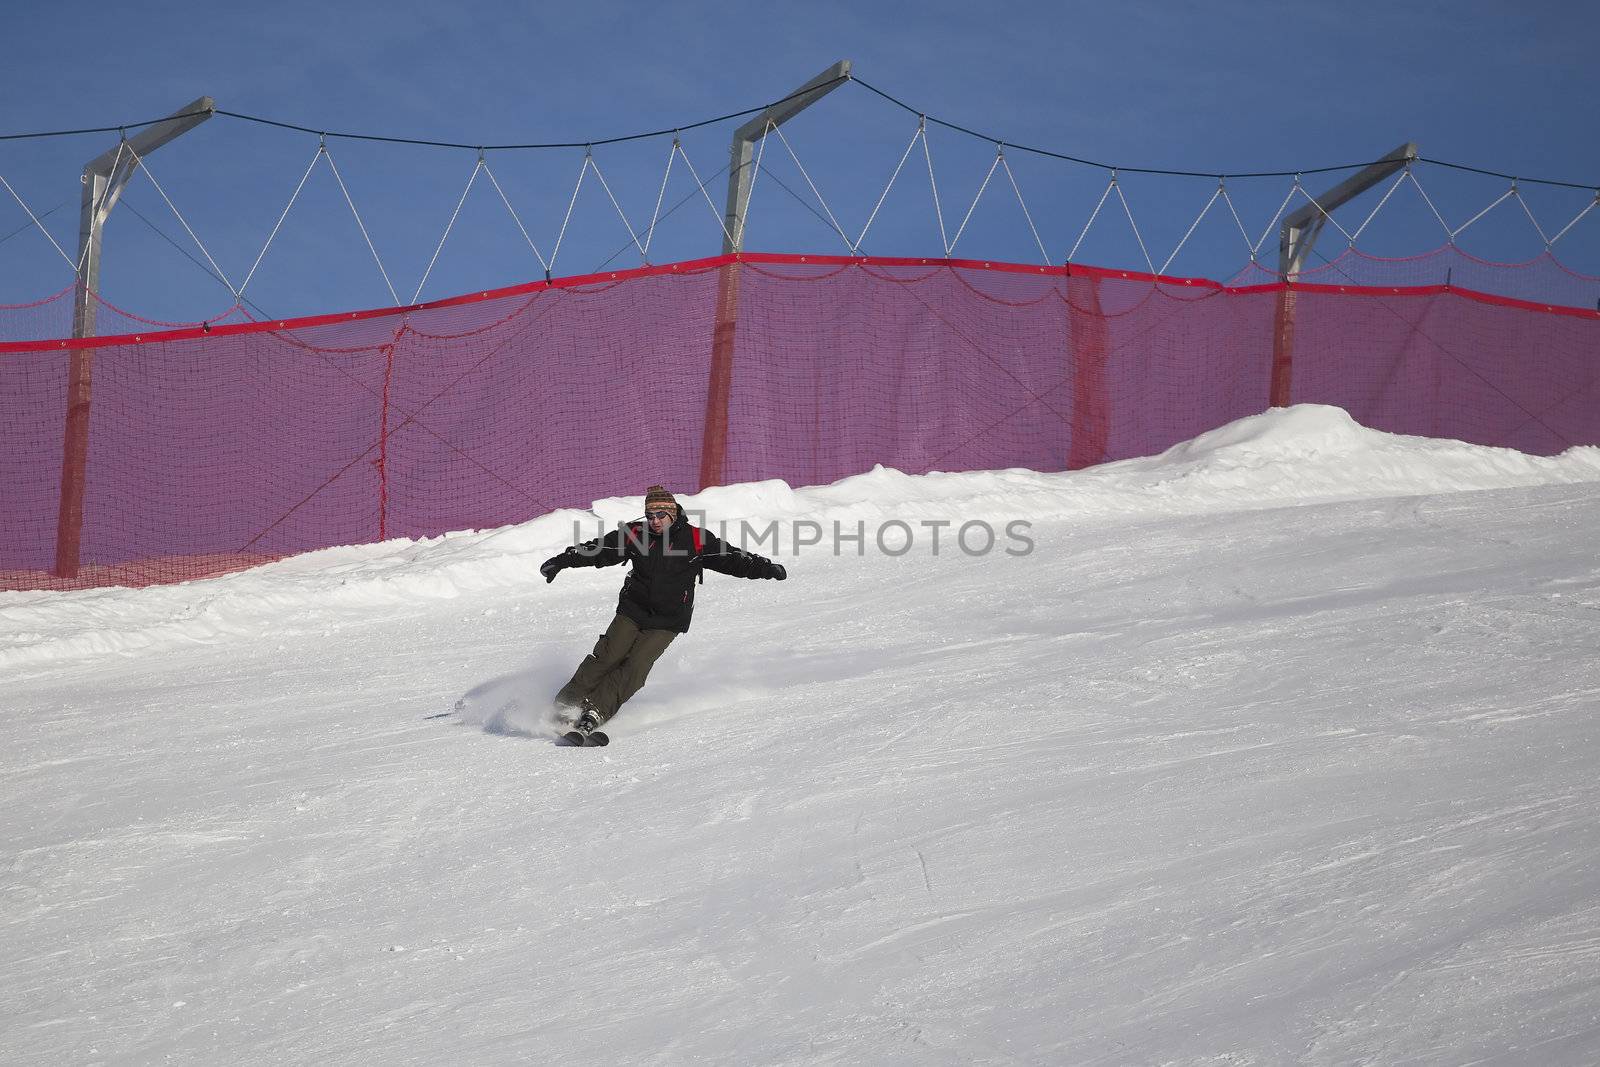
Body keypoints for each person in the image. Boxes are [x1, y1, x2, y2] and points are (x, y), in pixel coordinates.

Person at [539, 485, 787, 738]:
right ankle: (565, 705)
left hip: (668, 620)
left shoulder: (696, 539)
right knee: (607, 656)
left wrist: (767, 568)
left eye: (660, 515)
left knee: (635, 666)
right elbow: (599, 549)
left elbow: (733, 558)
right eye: (650, 516)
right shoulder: (636, 534)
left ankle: (596, 711)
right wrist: (562, 560)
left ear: (673, 514)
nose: (655, 521)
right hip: (633, 610)